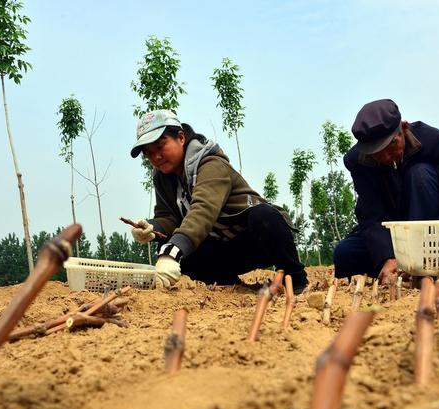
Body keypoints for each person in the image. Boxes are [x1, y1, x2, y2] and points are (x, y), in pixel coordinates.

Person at [129, 109, 308, 291]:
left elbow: (203, 211)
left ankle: (296, 279)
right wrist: (153, 228)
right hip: (223, 248)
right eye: (148, 153)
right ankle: (228, 284)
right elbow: (169, 217)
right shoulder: (162, 178)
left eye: (160, 146)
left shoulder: (211, 164)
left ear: (181, 138)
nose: (156, 157)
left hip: (256, 240)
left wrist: (172, 252)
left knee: (263, 216)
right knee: (166, 240)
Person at [334, 99, 439, 281]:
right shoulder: (358, 161)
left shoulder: (434, 142)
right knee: (344, 253)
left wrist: (435, 249)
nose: (385, 156)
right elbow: (371, 213)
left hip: (434, 234)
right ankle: (394, 270)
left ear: (404, 128)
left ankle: (423, 262)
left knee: (421, 174)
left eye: (391, 145)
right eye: (377, 152)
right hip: (392, 234)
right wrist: (387, 256)